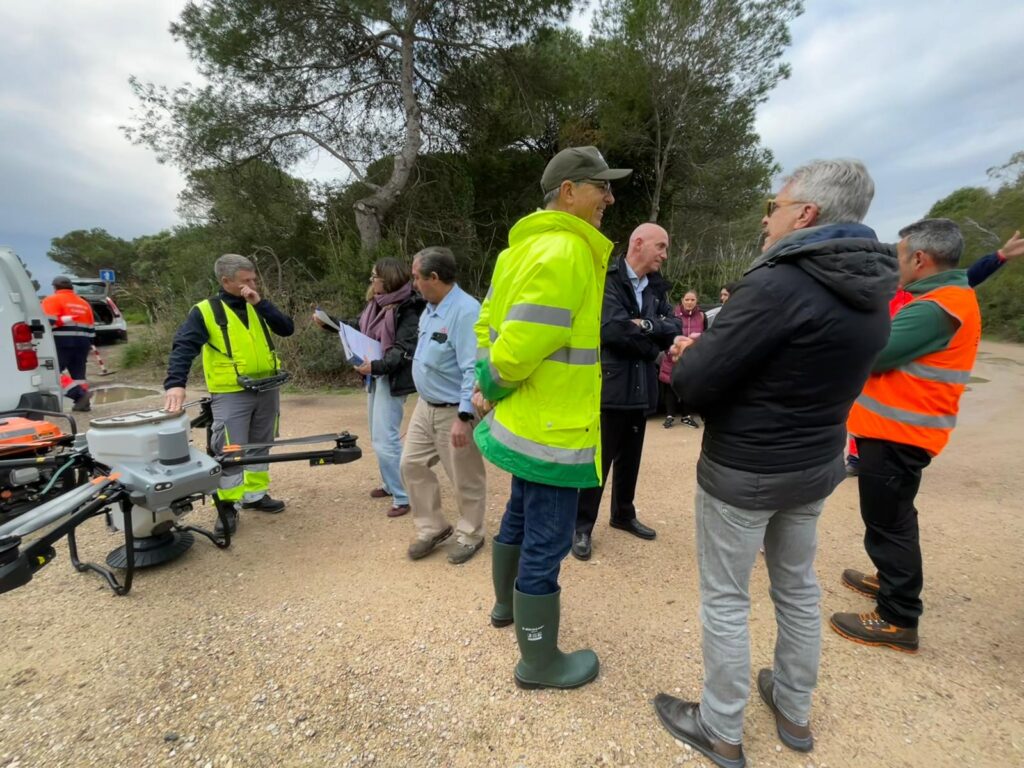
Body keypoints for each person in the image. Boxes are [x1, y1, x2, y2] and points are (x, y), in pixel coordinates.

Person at [652, 159, 897, 767]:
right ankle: (793, 708)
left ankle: (721, 727)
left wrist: (690, 354)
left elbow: (698, 383)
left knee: (728, 598)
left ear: (806, 214)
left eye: (776, 205)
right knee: (795, 588)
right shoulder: (874, 287)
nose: (768, 219)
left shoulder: (778, 281)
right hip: (815, 465)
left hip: (746, 469)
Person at [474, 145, 631, 690]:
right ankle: (539, 663)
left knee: (518, 513)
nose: (610, 197)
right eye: (601, 186)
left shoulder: (516, 252)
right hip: (556, 429)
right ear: (569, 192)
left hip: (524, 422)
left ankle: (504, 607)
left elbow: (488, 325)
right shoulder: (567, 251)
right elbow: (518, 346)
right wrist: (492, 381)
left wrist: (486, 383)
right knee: (547, 539)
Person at [832, 219, 981, 654]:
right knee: (894, 515)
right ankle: (890, 578)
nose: (896, 266)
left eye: (899, 257)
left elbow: (877, 354)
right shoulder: (943, 299)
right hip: (899, 430)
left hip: (900, 433)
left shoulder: (939, 306)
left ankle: (898, 617)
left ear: (920, 259)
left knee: (888, 521)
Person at [845, 228, 1024, 475]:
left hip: (899, 423)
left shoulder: (928, 298)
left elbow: (969, 276)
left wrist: (1000, 256)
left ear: (918, 261)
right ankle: (857, 456)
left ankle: (857, 460)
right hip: (878, 413)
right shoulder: (886, 290)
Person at [164, 254, 295, 533]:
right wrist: (176, 383)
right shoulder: (205, 311)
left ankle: (255, 496)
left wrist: (260, 303)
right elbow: (184, 347)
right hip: (232, 391)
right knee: (230, 450)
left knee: (261, 444)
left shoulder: (257, 304)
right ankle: (228, 506)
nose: (252, 285)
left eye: (253, 280)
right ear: (226, 281)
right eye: (245, 281)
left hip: (267, 387)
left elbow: (286, 329)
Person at [571, 223, 677, 562]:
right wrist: (654, 348)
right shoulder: (609, 277)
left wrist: (646, 325)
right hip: (611, 385)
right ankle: (582, 526)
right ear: (638, 243)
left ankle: (623, 514)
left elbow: (672, 327)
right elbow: (611, 328)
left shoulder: (657, 287)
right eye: (660, 247)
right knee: (599, 463)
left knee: (631, 457)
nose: (664, 254)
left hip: (641, 386)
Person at [400, 247, 487, 565]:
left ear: (433, 278)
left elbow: (472, 368)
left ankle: (471, 533)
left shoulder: (465, 311)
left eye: (416, 277)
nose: (413, 283)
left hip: (455, 409)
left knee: (465, 475)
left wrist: (465, 416)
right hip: (427, 406)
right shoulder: (430, 307)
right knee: (411, 463)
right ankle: (433, 527)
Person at [316, 259, 424, 517]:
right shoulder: (376, 305)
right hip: (375, 376)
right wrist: (331, 323)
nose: (371, 280)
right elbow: (358, 327)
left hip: (390, 377)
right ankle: (390, 484)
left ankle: (403, 495)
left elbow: (403, 349)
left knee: (386, 438)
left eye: (374, 276)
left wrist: (376, 367)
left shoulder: (409, 308)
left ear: (388, 279)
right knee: (378, 435)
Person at [41, 276, 95, 412]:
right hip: (83, 342)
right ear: (71, 287)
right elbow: (92, 328)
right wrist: (89, 343)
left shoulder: (51, 300)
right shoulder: (83, 303)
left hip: (61, 342)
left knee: (52, 373)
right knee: (79, 376)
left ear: (54, 288)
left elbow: (47, 324)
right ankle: (83, 403)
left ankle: (80, 395)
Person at [660, 290, 704, 429]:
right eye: (687, 300)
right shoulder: (673, 315)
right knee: (670, 385)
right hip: (673, 356)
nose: (689, 302)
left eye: (692, 300)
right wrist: (670, 350)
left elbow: (705, 336)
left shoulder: (702, 316)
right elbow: (665, 334)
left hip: (691, 358)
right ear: (682, 300)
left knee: (688, 386)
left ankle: (687, 416)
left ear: (696, 301)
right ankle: (670, 416)